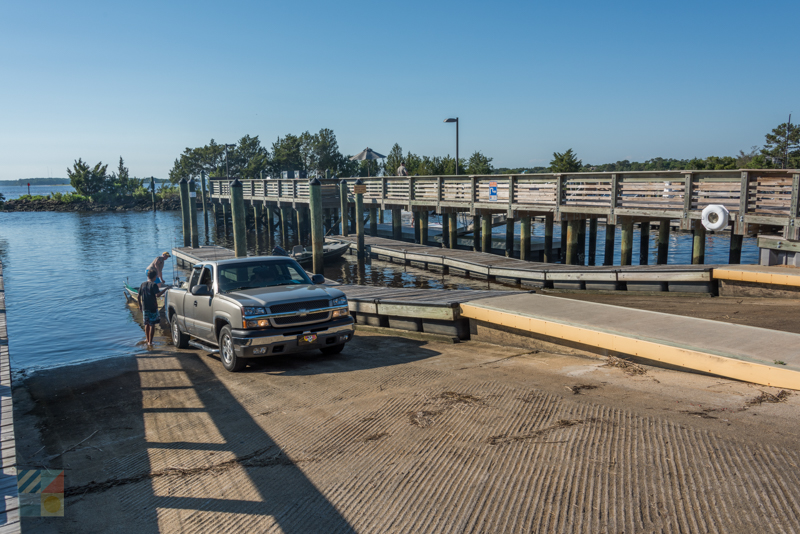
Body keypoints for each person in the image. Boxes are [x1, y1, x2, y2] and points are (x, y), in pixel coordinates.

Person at [138, 269, 166, 346]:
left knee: (146, 324)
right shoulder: (154, 285)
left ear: (148, 276)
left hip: (145, 307)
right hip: (152, 308)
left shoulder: (142, 284)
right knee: (152, 324)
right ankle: (150, 342)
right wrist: (165, 289)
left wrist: (140, 306)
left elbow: (138, 296)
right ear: (154, 277)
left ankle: (147, 339)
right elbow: (157, 295)